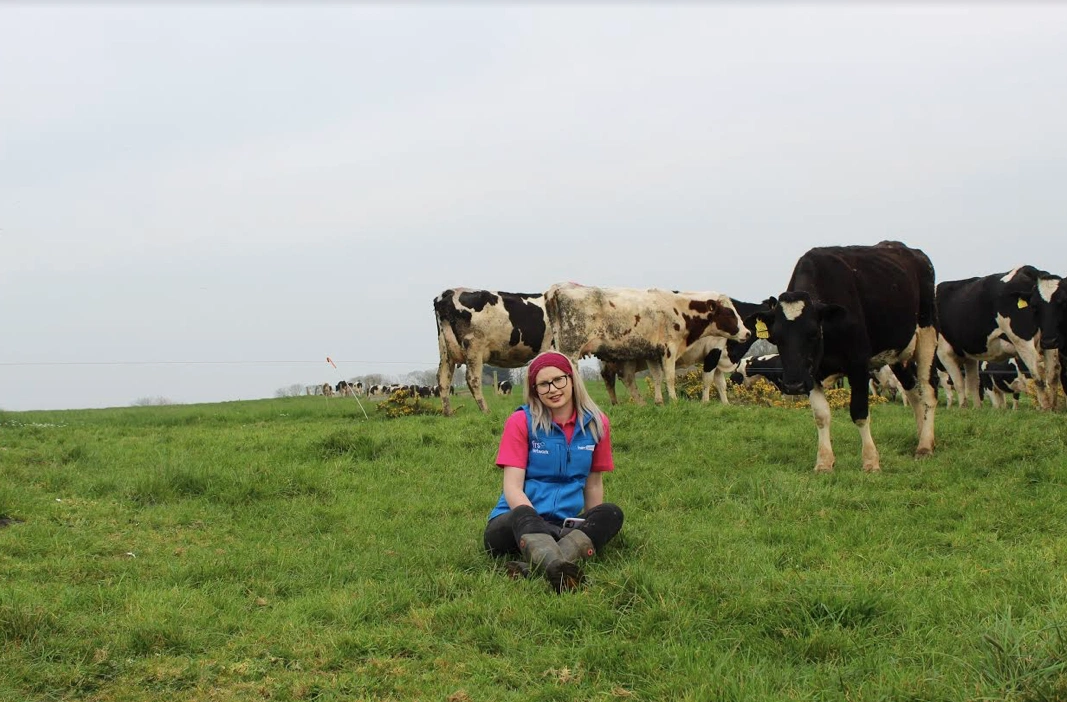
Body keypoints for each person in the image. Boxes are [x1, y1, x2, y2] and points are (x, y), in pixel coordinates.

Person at [483, 351, 624, 592]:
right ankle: (560, 565)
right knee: (522, 512)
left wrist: (588, 522)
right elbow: (512, 487)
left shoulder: (597, 423)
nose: (552, 389)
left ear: (571, 379)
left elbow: (593, 485)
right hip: (515, 526)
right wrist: (536, 521)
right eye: (543, 384)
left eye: (559, 380)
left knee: (611, 513)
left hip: (561, 527)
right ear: (534, 389)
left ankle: (538, 566)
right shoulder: (520, 422)